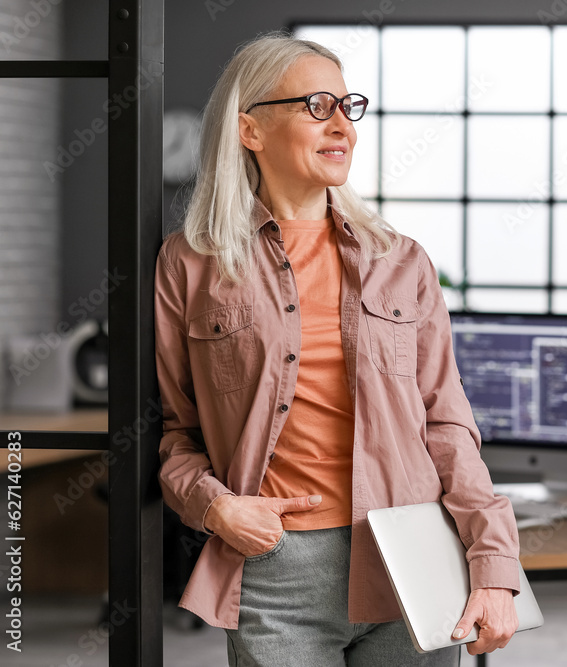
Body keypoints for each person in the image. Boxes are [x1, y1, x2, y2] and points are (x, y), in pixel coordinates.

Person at [154, 31, 520, 666]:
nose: (342, 125)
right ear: (250, 130)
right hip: (277, 570)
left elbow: (449, 426)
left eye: (349, 107)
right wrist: (217, 509)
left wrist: (493, 563)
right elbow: (175, 433)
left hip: (415, 555)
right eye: (317, 105)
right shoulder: (191, 264)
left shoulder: (400, 261)